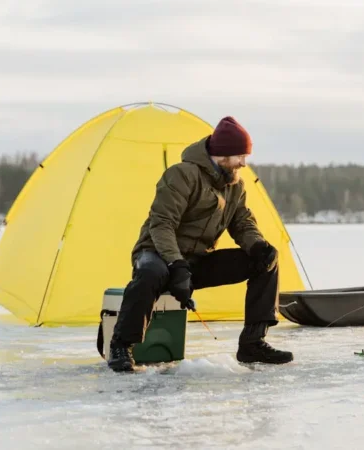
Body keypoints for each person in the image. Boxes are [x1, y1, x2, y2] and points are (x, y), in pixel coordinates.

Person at [107, 116, 292, 372]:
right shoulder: (182, 175)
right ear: (223, 155)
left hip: (196, 260)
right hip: (157, 253)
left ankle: (253, 343)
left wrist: (258, 246)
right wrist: (176, 264)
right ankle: (121, 346)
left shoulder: (235, 186)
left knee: (265, 261)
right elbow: (161, 225)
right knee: (151, 273)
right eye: (240, 155)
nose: (244, 162)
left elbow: (242, 223)